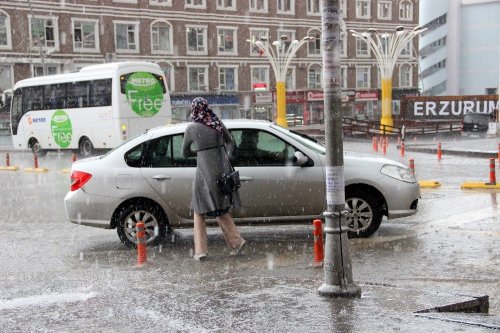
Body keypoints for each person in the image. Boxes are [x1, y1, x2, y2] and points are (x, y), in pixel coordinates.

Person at [182, 97, 246, 261]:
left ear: (194, 110)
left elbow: (184, 152)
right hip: (221, 170)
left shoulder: (192, 128)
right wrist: (225, 157)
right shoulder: (216, 123)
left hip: (204, 172)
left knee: (199, 210)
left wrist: (200, 152)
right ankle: (235, 241)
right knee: (218, 207)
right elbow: (230, 141)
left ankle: (201, 251)